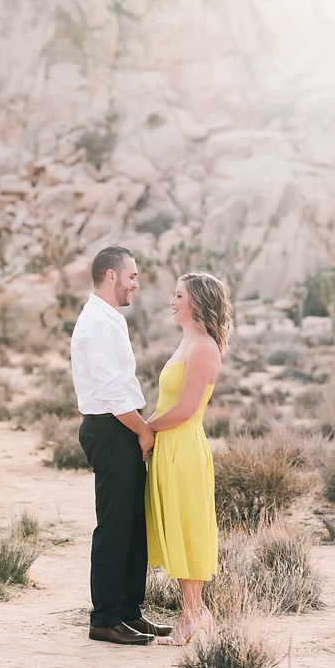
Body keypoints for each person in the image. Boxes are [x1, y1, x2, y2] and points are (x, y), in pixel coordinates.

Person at [73, 245, 172, 645]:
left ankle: (130, 613)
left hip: (120, 428)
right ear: (111, 276)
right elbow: (112, 390)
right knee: (114, 528)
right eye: (131, 276)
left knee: (133, 526)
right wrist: (143, 430)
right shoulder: (96, 322)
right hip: (111, 428)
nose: (136, 283)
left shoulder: (109, 318)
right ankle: (105, 618)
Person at [144, 270, 230, 645]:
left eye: (179, 295)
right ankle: (194, 612)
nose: (172, 301)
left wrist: (146, 428)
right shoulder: (188, 342)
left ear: (197, 301)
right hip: (169, 447)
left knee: (187, 529)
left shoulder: (204, 347)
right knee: (176, 530)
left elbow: (186, 408)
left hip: (183, 448)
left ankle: (193, 614)